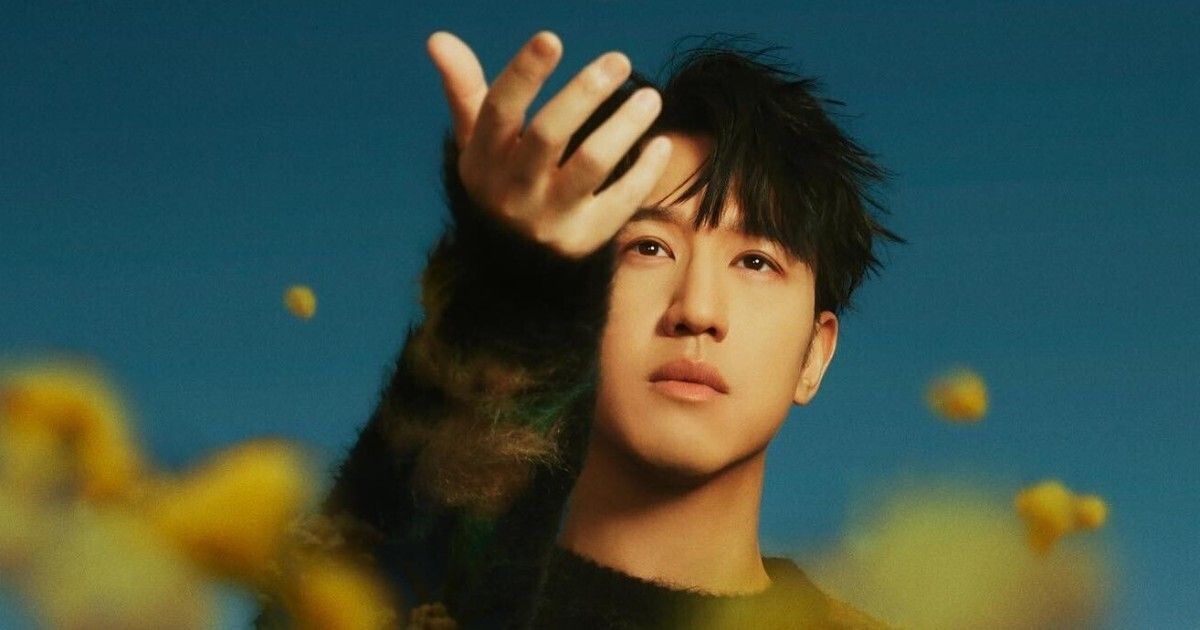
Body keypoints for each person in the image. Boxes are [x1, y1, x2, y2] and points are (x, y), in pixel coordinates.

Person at [282, 30, 901, 629]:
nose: (697, 310)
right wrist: (506, 288)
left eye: (757, 262)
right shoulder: (451, 599)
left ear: (815, 355)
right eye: (649, 248)